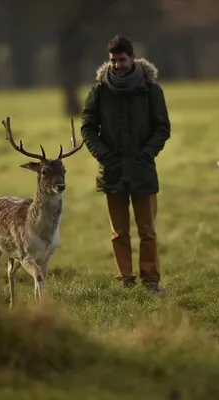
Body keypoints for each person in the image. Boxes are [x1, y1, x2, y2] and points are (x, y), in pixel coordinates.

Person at [81, 35, 171, 294]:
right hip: (112, 170)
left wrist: (146, 154)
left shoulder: (151, 90)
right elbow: (88, 126)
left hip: (143, 169)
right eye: (113, 61)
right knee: (119, 233)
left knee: (148, 231)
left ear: (132, 58)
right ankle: (126, 281)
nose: (117, 65)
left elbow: (162, 127)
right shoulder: (99, 91)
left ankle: (151, 280)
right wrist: (104, 155)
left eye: (121, 60)